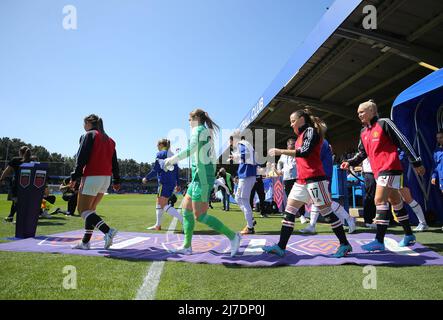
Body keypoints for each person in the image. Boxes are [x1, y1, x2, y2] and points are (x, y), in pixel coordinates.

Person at [263, 109, 352, 258]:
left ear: (301, 119)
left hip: (315, 179)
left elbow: (305, 151)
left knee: (327, 212)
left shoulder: (310, 131)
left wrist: (281, 151)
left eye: (293, 121)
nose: (291, 124)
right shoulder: (300, 136)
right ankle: (280, 246)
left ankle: (344, 244)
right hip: (301, 180)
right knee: (289, 212)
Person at [341, 100, 425, 252]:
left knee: (379, 200)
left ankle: (379, 240)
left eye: (362, 111)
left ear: (372, 111)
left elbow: (403, 141)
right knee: (396, 202)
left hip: (391, 168)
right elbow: (362, 153)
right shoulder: (363, 132)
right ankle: (409, 234)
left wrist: (416, 161)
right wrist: (349, 162)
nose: (359, 114)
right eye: (358, 112)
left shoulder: (384, 123)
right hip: (379, 171)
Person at [164, 109, 241, 256]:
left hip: (202, 178)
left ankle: (233, 236)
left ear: (196, 118)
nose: (188, 122)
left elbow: (191, 149)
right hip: (199, 178)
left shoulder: (198, 129)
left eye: (189, 118)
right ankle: (187, 246)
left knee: (200, 216)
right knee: (186, 211)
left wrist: (172, 159)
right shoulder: (204, 130)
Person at [70, 114, 121, 250]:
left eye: (84, 123)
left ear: (88, 123)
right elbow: (114, 162)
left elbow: (81, 158)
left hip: (92, 176)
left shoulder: (88, 135)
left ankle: (108, 231)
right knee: (91, 211)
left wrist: (74, 176)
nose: (83, 126)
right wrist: (116, 179)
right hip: (106, 179)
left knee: (83, 210)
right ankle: (85, 242)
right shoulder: (110, 140)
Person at [300, 139, 356, 234]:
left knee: (326, 202)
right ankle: (312, 225)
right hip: (318, 175)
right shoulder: (320, 142)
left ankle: (349, 219)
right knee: (316, 201)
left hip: (322, 175)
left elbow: (312, 158)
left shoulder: (321, 142)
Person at [142, 139, 183, 231]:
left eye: (157, 144)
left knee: (163, 204)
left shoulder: (160, 154)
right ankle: (158, 225)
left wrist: (146, 178)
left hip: (163, 183)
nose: (157, 146)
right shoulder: (173, 155)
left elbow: (155, 169)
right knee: (158, 203)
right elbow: (177, 171)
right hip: (171, 183)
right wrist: (178, 184)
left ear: (161, 144)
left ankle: (184, 221)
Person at [230, 135, 259, 235]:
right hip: (248, 175)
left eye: (231, 142)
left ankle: (250, 227)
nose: (231, 145)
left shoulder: (241, 144)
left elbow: (245, 155)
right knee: (238, 198)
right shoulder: (246, 144)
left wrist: (235, 156)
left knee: (243, 200)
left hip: (247, 175)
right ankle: (250, 219)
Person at [277, 138, 308, 224]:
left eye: (294, 144)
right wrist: (279, 170)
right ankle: (291, 216)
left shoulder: (298, 152)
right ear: (288, 145)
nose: (293, 145)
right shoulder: (283, 155)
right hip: (287, 178)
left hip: (297, 177)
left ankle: (302, 215)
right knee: (289, 197)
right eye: (291, 144)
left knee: (299, 197)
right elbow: (279, 163)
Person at [397, 151, 428, 231]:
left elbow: (401, 159)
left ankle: (423, 223)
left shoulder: (400, 147)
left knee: (407, 199)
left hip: (399, 175)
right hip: (389, 175)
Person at [0, 146, 32, 223]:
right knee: (22, 201)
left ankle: (16, 218)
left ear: (20, 152)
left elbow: (7, 171)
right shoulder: (31, 161)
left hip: (17, 184)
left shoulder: (15, 160)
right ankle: (11, 216)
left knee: (16, 201)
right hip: (28, 184)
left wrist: (1, 179)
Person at [432, 130, 443, 231]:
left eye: (441, 137)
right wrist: (433, 176)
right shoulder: (436, 151)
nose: (439, 140)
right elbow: (435, 166)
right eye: (438, 138)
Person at [361, 159, 377, 229]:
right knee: (370, 196)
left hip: (379, 171)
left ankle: (389, 219)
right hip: (370, 172)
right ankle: (368, 220)